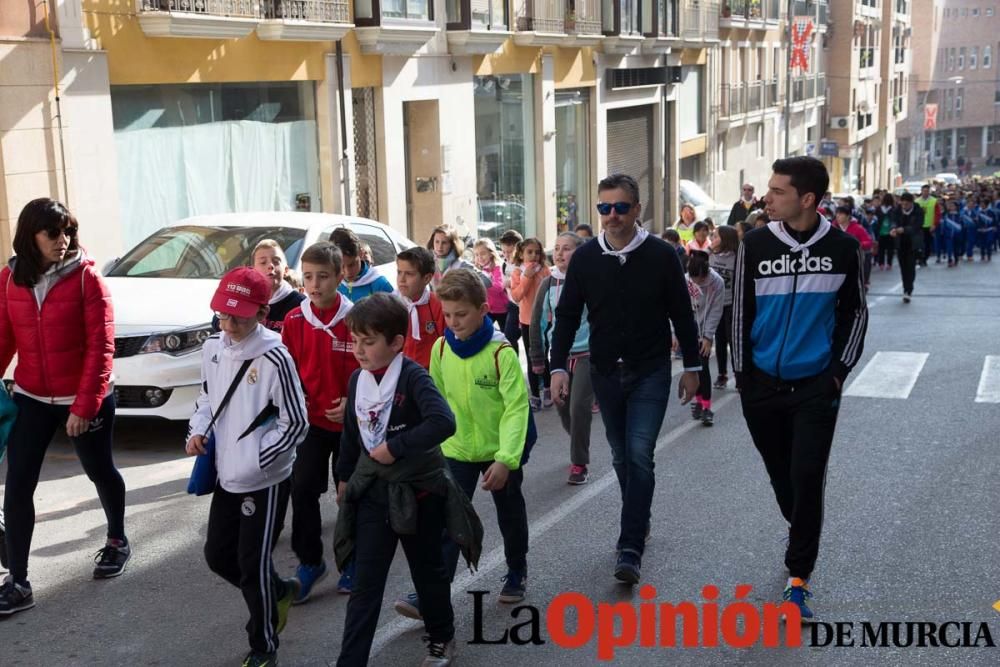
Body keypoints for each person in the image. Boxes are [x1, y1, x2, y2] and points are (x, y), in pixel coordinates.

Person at [732, 156, 868, 620]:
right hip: (762, 387)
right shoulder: (754, 243)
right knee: (782, 477)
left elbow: (856, 313)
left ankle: (797, 580)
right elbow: (740, 313)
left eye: (777, 192)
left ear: (807, 200)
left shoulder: (845, 249)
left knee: (807, 477)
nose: (766, 198)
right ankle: (802, 527)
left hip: (815, 387)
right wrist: (743, 375)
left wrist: (837, 371)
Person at [550, 174, 701, 585]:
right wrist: (558, 366)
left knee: (638, 453)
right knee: (619, 456)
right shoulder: (584, 259)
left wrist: (693, 367)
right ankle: (640, 514)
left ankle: (629, 545)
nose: (612, 216)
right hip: (604, 372)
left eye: (620, 207)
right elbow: (566, 316)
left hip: (650, 369)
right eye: (604, 208)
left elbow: (682, 315)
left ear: (637, 209)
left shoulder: (661, 255)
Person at [333, 293, 478, 667]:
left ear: (396, 343)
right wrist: (344, 477)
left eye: (369, 342)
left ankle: (442, 639)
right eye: (356, 342)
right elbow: (352, 433)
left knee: (427, 570)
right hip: (373, 494)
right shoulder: (357, 381)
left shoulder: (413, 376)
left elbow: (443, 422)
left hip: (418, 491)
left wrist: (396, 447)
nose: (360, 351)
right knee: (365, 583)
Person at [0, 198, 127, 616]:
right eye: (52, 232)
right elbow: (3, 340)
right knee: (18, 485)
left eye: (68, 230)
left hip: (84, 397)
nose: (63, 239)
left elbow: (101, 347)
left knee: (100, 470)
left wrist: (86, 405)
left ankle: (116, 540)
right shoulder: (9, 279)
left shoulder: (89, 279)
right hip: (33, 397)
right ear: (30, 236)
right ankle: (18, 581)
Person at [186, 266, 309, 667]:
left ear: (261, 312)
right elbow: (207, 397)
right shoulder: (213, 349)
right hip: (226, 475)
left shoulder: (275, 357)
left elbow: (296, 422)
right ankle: (279, 590)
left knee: (251, 563)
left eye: (238, 315)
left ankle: (264, 645)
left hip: (265, 481)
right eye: (224, 314)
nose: (229, 323)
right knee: (217, 555)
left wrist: (258, 458)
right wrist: (198, 430)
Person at [393, 268, 530, 618]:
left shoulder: (502, 354)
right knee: (446, 522)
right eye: (448, 315)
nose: (454, 322)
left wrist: (505, 459)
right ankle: (431, 594)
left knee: (509, 513)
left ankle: (516, 571)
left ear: (483, 310)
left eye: (462, 314)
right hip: (455, 451)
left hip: (500, 451)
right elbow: (436, 402)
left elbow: (516, 409)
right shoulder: (440, 349)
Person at [281, 242, 361, 600]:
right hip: (310, 424)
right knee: (302, 490)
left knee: (350, 495)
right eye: (308, 277)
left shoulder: (357, 318)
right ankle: (310, 561)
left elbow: (373, 369)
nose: (315, 285)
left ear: (341, 276)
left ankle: (352, 561)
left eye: (323, 277)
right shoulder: (295, 320)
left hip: (351, 426)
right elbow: (286, 372)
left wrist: (351, 402)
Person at [529, 232, 594, 485]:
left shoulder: (590, 279)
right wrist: (537, 357)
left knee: (579, 407)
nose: (559, 253)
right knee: (562, 405)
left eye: (566, 248)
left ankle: (579, 463)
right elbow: (536, 322)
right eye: (556, 248)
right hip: (560, 356)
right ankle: (578, 439)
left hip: (588, 353)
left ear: (579, 253)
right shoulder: (549, 283)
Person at [211, 239, 308, 334]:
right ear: (253, 270)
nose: (270, 266)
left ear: (286, 270)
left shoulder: (301, 304)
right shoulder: (242, 294)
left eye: (276, 261)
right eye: (263, 262)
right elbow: (218, 320)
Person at [681, 251, 724, 427]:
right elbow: (677, 309)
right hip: (688, 329)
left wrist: (708, 336)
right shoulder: (684, 281)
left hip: (705, 329)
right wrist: (676, 333)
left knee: (703, 366)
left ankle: (707, 407)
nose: (697, 283)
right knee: (693, 367)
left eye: (701, 279)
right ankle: (698, 401)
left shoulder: (717, 283)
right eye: (694, 279)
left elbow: (715, 311)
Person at [510, 238, 552, 410]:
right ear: (521, 253)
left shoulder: (545, 270)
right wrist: (527, 277)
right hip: (527, 322)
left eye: (537, 252)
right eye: (529, 252)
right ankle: (535, 395)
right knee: (531, 357)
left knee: (544, 356)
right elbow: (517, 296)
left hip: (545, 320)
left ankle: (548, 389)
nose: (534, 255)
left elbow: (551, 292)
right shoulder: (518, 272)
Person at [396, 247, 446, 369]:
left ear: (427, 278)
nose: (401, 279)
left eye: (409, 274)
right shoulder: (391, 305)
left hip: (431, 373)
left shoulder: (438, 306)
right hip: (400, 372)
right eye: (399, 272)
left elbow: (446, 344)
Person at [709, 225, 738, 389]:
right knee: (719, 340)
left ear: (726, 239)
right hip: (715, 304)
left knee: (733, 341)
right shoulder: (709, 256)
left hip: (731, 304)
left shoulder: (736, 258)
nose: (713, 239)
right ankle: (722, 373)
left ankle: (738, 373)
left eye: (716, 236)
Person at [331, 228, 394, 301]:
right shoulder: (332, 285)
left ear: (361, 253)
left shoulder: (380, 285)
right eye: (341, 267)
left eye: (352, 265)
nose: (348, 272)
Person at [891, 192, 924, 303]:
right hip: (900, 244)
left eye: (906, 204)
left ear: (911, 203)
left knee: (910, 267)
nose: (904, 206)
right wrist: (893, 229)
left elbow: (917, 226)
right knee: (903, 268)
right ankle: (905, 288)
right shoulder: (897, 210)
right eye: (902, 203)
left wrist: (904, 229)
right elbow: (893, 221)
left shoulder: (918, 211)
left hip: (913, 244)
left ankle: (908, 290)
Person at [427, 225, 481, 290]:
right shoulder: (429, 262)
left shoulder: (461, 264)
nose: (440, 246)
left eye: (444, 242)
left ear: (452, 244)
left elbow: (487, 280)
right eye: (437, 242)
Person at [833, 206, 874, 290]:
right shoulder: (832, 228)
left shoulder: (858, 228)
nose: (838, 216)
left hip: (855, 260)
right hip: (838, 261)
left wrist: (855, 245)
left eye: (841, 214)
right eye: (837, 213)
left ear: (848, 216)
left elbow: (869, 242)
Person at [498, 230, 524, 353]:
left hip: (525, 306)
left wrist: (512, 283)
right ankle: (514, 363)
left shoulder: (523, 266)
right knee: (509, 337)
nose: (506, 255)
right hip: (513, 305)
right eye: (503, 252)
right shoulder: (504, 265)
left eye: (510, 252)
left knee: (530, 340)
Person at [473, 238, 509, 328]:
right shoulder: (479, 269)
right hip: (488, 309)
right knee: (481, 330)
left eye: (483, 253)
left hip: (502, 309)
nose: (480, 257)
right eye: (477, 255)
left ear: (491, 253)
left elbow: (499, 287)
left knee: (507, 335)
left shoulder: (497, 267)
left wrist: (481, 284)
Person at [916, 184, 941, 267]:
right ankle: (920, 258)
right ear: (921, 191)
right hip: (919, 226)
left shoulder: (934, 201)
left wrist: (934, 224)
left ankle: (925, 258)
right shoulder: (917, 201)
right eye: (924, 191)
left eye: (927, 191)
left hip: (929, 226)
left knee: (927, 244)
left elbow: (937, 214)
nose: (925, 193)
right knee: (919, 243)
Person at [875, 193, 896, 270]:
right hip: (890, 231)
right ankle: (889, 264)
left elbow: (876, 219)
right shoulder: (894, 208)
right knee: (890, 249)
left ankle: (881, 264)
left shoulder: (879, 209)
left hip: (881, 231)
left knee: (881, 249)